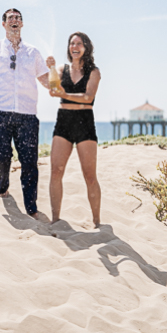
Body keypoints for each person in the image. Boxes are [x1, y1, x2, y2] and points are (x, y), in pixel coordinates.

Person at [0, 8, 51, 223]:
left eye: (18, 18)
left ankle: (31, 207)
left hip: (27, 116)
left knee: (30, 162)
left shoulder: (33, 52)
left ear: (22, 24)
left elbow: (47, 81)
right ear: (3, 24)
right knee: (2, 158)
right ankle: (3, 187)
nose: (15, 21)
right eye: (10, 18)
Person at [46, 32, 102, 227]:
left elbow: (88, 97)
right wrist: (52, 68)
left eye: (79, 43)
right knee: (56, 171)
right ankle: (55, 219)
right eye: (72, 43)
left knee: (89, 175)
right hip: (64, 121)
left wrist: (65, 94)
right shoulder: (62, 69)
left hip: (85, 122)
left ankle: (96, 221)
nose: (75, 46)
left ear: (86, 47)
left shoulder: (94, 72)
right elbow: (54, 91)